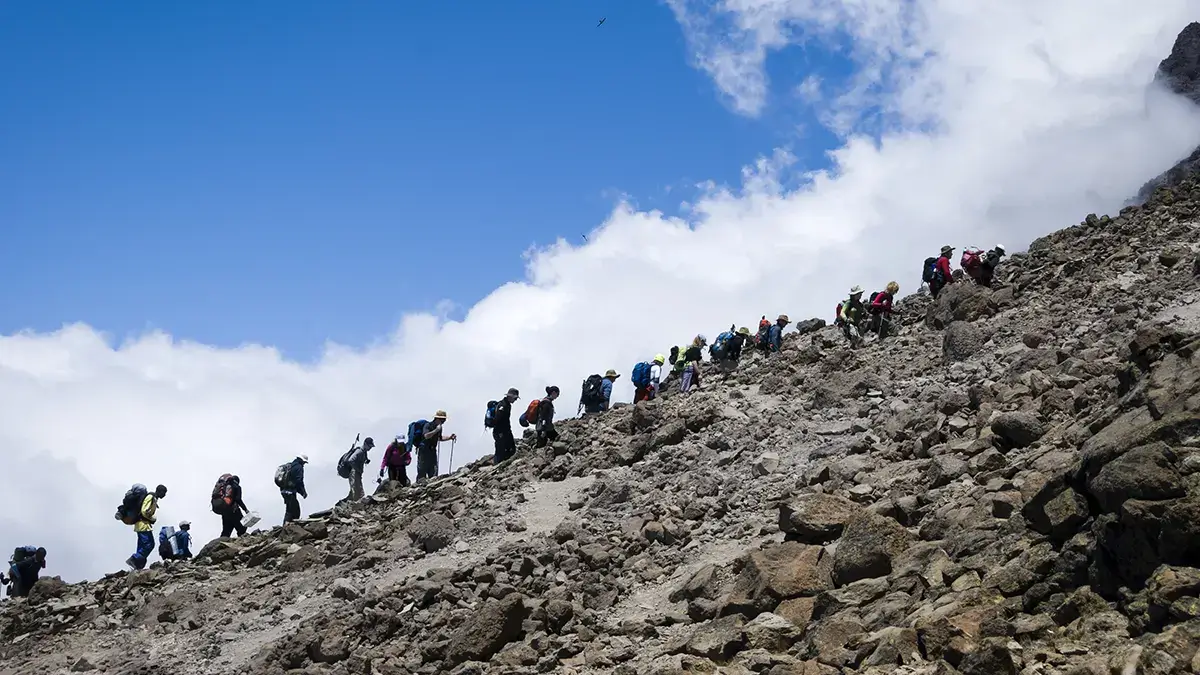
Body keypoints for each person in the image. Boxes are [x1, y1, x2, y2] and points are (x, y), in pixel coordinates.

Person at [127, 485, 167, 570]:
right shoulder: (151, 497)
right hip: (143, 525)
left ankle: (137, 566)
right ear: (159, 491)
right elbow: (144, 511)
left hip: (141, 524)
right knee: (149, 544)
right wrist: (152, 519)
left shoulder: (153, 498)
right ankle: (134, 559)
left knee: (142, 545)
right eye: (164, 492)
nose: (164, 495)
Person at [418, 412, 456, 482]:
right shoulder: (428, 425)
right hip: (424, 451)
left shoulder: (439, 427)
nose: (444, 422)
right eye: (442, 420)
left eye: (444, 420)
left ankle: (432, 484)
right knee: (422, 471)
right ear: (437, 419)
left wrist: (450, 437)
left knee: (433, 471)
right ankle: (420, 485)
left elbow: (439, 438)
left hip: (432, 451)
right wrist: (436, 430)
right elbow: (426, 436)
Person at [212, 474, 250, 538]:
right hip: (233, 510)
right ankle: (242, 540)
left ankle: (221, 542)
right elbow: (238, 499)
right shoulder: (236, 486)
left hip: (225, 511)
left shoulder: (225, 486)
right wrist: (245, 509)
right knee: (242, 528)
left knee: (226, 531)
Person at [492, 388, 519, 464]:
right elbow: (497, 419)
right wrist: (500, 432)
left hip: (506, 431)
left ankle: (504, 465)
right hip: (500, 431)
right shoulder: (503, 405)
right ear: (510, 396)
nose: (515, 400)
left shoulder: (507, 405)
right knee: (500, 451)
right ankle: (497, 466)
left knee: (511, 449)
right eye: (515, 398)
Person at [280, 455, 308, 525]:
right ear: (302, 461)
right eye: (304, 462)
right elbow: (299, 481)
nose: (304, 464)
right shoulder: (298, 467)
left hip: (283, 491)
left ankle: (286, 525)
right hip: (290, 492)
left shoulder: (290, 465)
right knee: (295, 511)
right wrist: (303, 492)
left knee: (289, 509)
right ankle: (290, 526)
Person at [344, 437, 374, 501]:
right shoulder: (359, 451)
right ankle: (357, 504)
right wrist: (357, 469)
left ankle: (349, 502)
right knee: (357, 491)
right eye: (369, 446)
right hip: (354, 473)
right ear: (365, 444)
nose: (370, 448)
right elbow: (350, 460)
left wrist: (366, 460)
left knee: (357, 490)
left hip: (357, 473)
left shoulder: (364, 452)